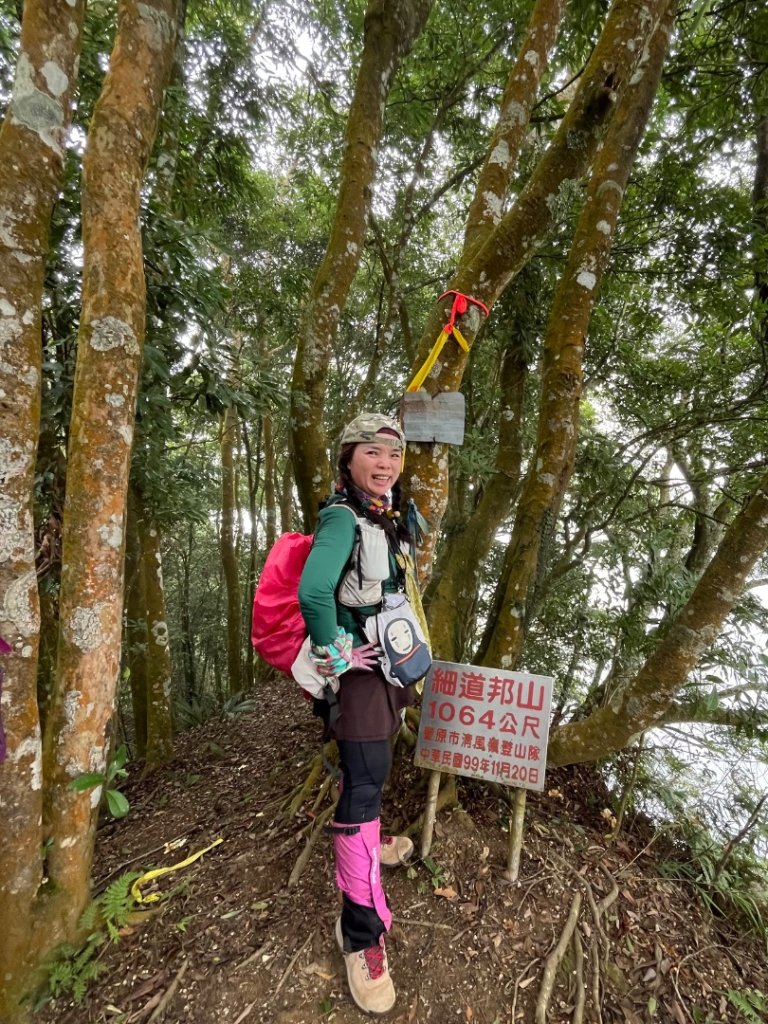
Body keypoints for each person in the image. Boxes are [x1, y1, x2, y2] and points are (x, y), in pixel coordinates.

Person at [297, 412, 418, 1016]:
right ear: (348, 458)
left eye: (393, 455)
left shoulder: (381, 511)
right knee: (364, 786)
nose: (385, 463)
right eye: (372, 452)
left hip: (383, 667)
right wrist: (339, 656)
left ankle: (374, 841)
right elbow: (314, 592)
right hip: (360, 674)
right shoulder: (342, 517)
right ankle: (360, 938)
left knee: (368, 773)